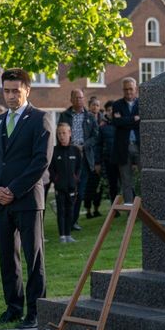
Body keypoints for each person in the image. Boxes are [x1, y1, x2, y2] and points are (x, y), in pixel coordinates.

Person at [0, 68, 53, 330]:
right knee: (7, 256)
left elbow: (41, 161)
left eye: (16, 90)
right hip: (0, 201)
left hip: (27, 199)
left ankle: (36, 311)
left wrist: (13, 189)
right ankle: (13, 308)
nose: (11, 95)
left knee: (33, 256)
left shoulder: (40, 119)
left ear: (27, 90)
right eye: (7, 91)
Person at [58, 89, 99, 228]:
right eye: (76, 98)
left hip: (85, 158)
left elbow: (95, 136)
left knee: (80, 193)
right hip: (69, 158)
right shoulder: (64, 115)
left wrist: (84, 146)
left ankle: (73, 221)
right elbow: (60, 134)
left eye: (81, 98)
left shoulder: (90, 116)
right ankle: (67, 220)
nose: (79, 100)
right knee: (70, 191)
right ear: (71, 100)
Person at [49, 123, 81, 244]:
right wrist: (55, 179)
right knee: (61, 211)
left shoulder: (75, 150)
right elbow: (51, 169)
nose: (62, 136)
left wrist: (75, 179)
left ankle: (68, 234)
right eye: (59, 133)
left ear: (69, 133)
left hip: (72, 186)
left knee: (70, 210)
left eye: (64, 133)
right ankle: (62, 235)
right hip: (60, 187)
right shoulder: (54, 151)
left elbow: (79, 167)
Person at [111, 78, 140, 204]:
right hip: (123, 148)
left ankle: (147, 210)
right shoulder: (117, 105)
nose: (128, 91)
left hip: (140, 146)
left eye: (131, 89)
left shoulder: (142, 103)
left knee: (145, 179)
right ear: (123, 90)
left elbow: (142, 122)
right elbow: (116, 122)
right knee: (126, 181)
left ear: (136, 89)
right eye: (126, 89)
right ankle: (130, 211)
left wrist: (125, 120)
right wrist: (134, 119)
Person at [83, 96, 104, 217]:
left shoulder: (103, 119)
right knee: (89, 186)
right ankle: (88, 210)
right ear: (89, 106)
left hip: (101, 157)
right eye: (93, 105)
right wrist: (95, 162)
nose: (95, 107)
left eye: (97, 105)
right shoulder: (86, 120)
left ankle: (97, 208)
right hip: (90, 157)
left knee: (99, 187)